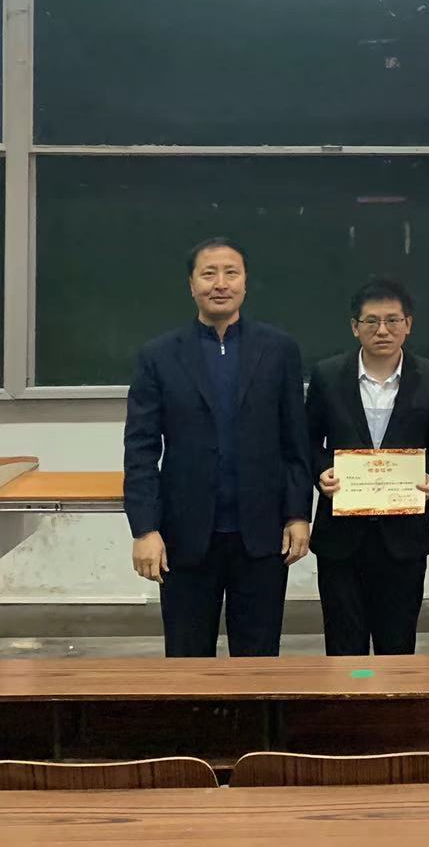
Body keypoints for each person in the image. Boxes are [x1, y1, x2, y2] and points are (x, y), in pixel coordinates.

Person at [124, 237, 311, 658]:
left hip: (261, 535)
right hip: (185, 537)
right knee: (187, 662)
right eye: (209, 274)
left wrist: (298, 514)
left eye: (231, 273)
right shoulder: (158, 356)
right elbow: (140, 450)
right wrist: (145, 529)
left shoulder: (279, 350)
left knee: (259, 661)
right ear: (191, 285)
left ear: (246, 282)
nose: (220, 283)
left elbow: (295, 441)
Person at [306, 279, 429, 656]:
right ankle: (349, 698)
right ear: (354, 327)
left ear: (409, 324)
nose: (382, 330)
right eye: (371, 321)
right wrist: (320, 471)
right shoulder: (327, 376)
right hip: (341, 536)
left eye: (393, 320)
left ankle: (392, 699)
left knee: (397, 645)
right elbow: (306, 440)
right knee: (344, 647)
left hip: (403, 537)